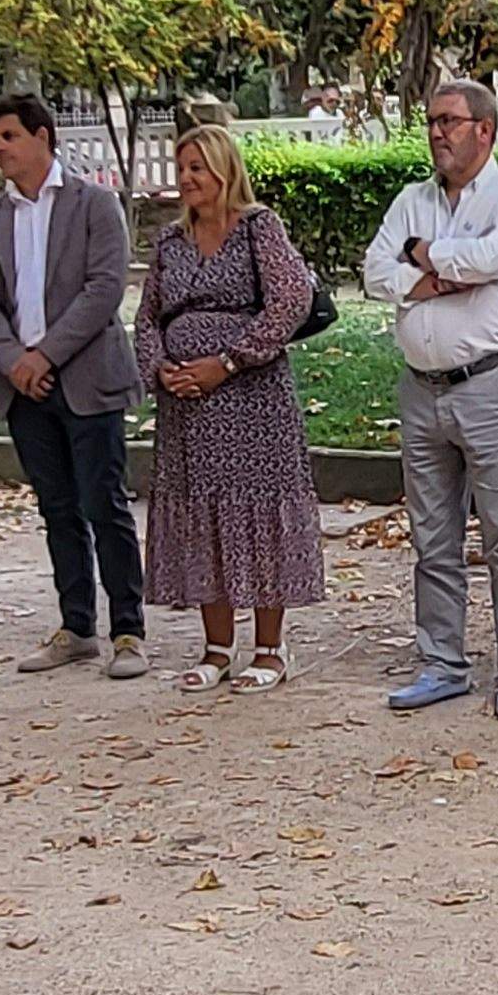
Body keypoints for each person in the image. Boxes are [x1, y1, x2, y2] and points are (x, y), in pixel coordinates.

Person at [366, 79, 498, 721]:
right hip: (421, 390)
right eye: (431, 122)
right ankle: (442, 662)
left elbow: (491, 259)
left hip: (489, 386)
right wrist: (438, 277)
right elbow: (374, 273)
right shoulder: (411, 199)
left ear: (485, 130)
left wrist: (422, 258)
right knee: (431, 536)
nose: (437, 132)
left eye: (449, 121)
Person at [0, 92, 149, 680]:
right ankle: (76, 627)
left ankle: (128, 630)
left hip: (87, 380)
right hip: (24, 388)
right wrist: (14, 361)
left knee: (105, 504)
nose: (0, 148)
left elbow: (104, 288)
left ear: (43, 137)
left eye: (10, 136)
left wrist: (46, 354)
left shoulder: (94, 204)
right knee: (57, 508)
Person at [138, 122, 322, 689]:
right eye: (181, 168)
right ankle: (216, 648)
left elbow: (291, 299)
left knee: (258, 515)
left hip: (251, 401)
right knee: (202, 518)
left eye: (198, 167)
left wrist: (229, 361)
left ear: (224, 170)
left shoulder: (257, 227)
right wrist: (161, 368)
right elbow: (147, 317)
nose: (187, 178)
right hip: (188, 409)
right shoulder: (170, 242)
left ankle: (271, 648)